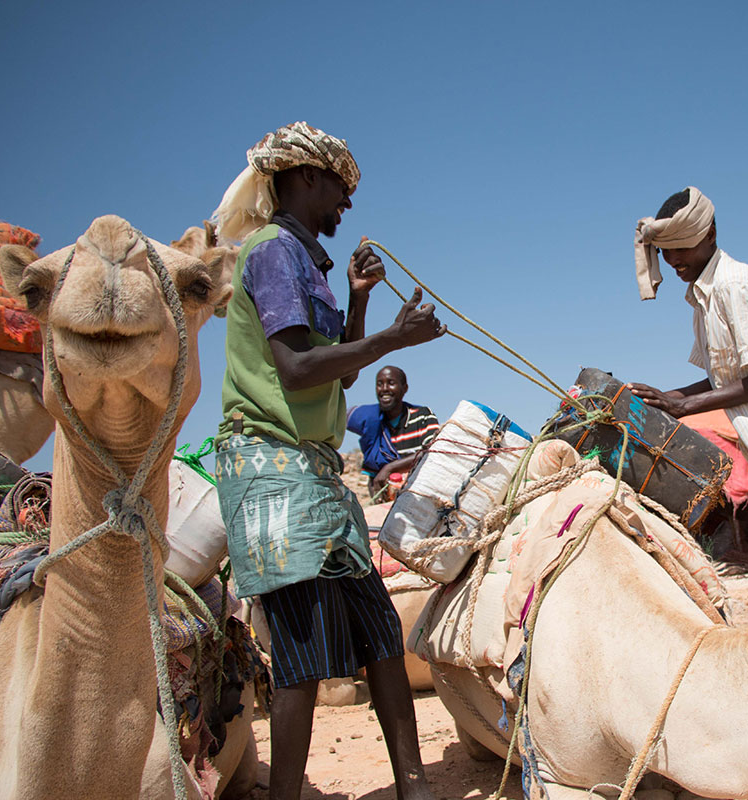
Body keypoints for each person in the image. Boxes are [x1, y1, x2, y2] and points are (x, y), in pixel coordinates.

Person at [211, 121, 444, 800]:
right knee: (303, 651)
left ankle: (414, 786)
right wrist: (395, 338)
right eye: (341, 189)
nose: (347, 205)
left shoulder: (304, 262)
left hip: (312, 471)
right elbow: (297, 368)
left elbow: (334, 374)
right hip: (271, 467)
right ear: (307, 178)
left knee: (377, 631)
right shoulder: (273, 253)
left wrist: (363, 300)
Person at [628, 186, 748, 584]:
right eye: (666, 251)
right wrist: (663, 398)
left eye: (682, 248)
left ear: (710, 234)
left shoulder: (738, 287)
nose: (674, 260)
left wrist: (684, 408)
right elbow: (723, 379)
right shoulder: (703, 297)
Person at [347, 365, 440, 498]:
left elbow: (432, 452)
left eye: (391, 383)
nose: (384, 389)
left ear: (404, 388)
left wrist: (390, 468)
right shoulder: (373, 423)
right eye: (380, 384)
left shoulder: (422, 416)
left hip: (421, 498)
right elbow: (373, 473)